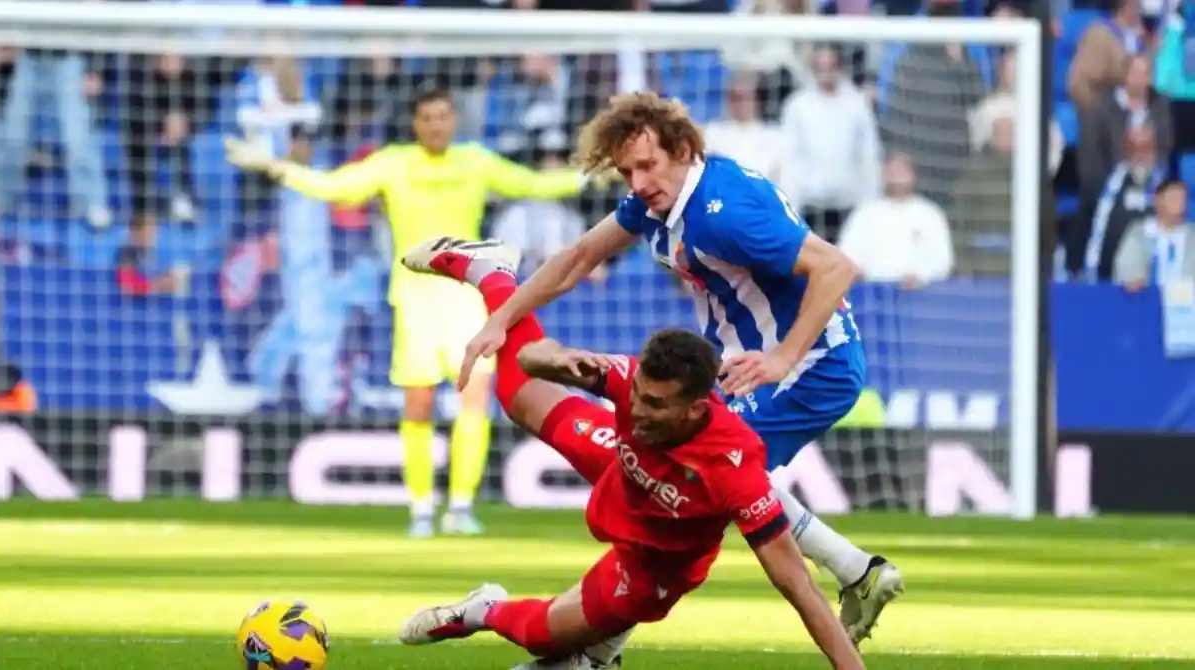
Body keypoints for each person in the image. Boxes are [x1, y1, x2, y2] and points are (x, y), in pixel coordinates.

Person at [458, 92, 903, 648]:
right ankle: (856, 569)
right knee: (689, 477)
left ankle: (597, 650)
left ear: (684, 150)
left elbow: (837, 267)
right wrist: (503, 318)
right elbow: (579, 258)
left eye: (647, 165)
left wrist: (783, 356)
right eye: (626, 171)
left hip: (811, 365)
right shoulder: (659, 202)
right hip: (743, 356)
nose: (638, 181)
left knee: (695, 478)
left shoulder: (723, 216)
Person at [396, 237, 865, 670]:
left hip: (652, 563)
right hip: (623, 464)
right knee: (521, 397)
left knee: (543, 636)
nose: (637, 408)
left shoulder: (734, 467)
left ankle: (484, 610)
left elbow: (797, 586)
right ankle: (492, 272)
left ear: (697, 408)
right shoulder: (633, 385)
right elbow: (530, 362)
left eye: (656, 403)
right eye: (637, 393)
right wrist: (553, 358)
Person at [223, 87, 592, 538]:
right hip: (415, 300)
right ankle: (420, 507)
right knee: (418, 404)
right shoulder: (394, 163)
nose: (436, 125)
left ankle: (460, 506)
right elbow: (336, 187)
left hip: (467, 299)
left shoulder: (474, 161)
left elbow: (534, 184)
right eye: (427, 117)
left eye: (443, 116)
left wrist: (599, 174)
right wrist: (275, 168)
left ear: (453, 120)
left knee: (473, 400)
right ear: (416, 123)